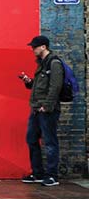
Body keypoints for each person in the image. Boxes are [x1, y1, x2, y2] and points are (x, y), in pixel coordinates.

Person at [19, 35, 64, 187]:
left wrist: (48, 105)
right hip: (37, 108)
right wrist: (29, 82)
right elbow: (39, 86)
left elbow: (55, 87)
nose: (33, 50)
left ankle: (52, 176)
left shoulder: (54, 63)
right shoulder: (41, 64)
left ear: (43, 47)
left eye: (35, 47)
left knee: (50, 142)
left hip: (47, 109)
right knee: (31, 139)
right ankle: (37, 173)